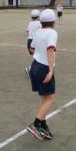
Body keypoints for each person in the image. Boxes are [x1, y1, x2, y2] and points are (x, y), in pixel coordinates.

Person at [27, 9, 58, 140]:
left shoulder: (39, 31)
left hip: (34, 66)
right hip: (44, 67)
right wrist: (51, 70)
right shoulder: (52, 32)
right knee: (51, 98)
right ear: (53, 21)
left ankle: (43, 125)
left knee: (44, 98)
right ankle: (36, 124)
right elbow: (50, 49)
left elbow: (31, 48)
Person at [24, 9, 42, 77]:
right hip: (35, 42)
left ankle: (33, 70)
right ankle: (29, 69)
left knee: (37, 57)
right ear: (38, 16)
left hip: (29, 41)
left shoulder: (30, 23)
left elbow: (27, 33)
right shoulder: (39, 24)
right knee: (38, 57)